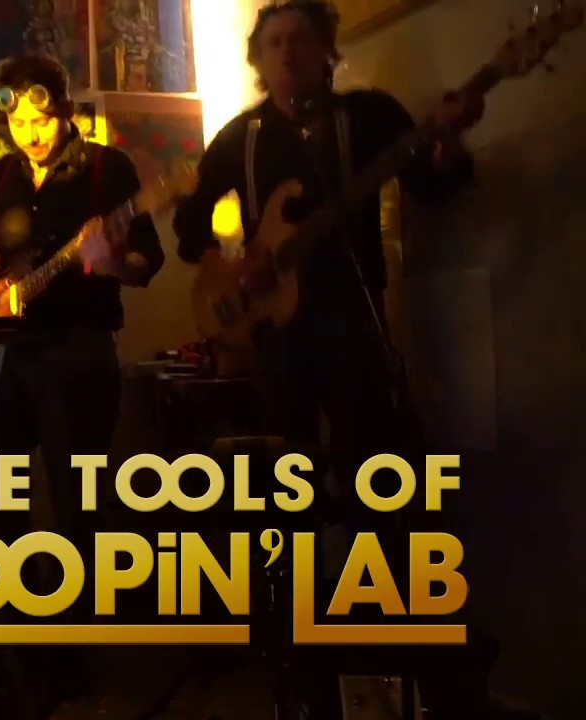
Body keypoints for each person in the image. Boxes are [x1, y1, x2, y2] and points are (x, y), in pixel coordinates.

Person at [171, 2, 503, 718]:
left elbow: (436, 187)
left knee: (373, 484)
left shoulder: (369, 116)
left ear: (327, 49)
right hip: (279, 343)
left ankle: (375, 654)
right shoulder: (241, 138)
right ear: (259, 60)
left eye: (301, 39)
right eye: (274, 42)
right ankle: (302, 664)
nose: (288, 52)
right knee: (284, 491)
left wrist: (447, 138)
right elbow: (190, 228)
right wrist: (238, 266)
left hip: (355, 325)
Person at [0, 53, 164, 717]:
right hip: (12, 355)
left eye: (41, 122)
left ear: (66, 110)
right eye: (20, 125)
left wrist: (108, 261)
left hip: (78, 351)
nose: (32, 135)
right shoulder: (4, 173)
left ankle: (74, 662)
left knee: (77, 509)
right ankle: (14, 654)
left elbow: (146, 263)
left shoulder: (107, 169)